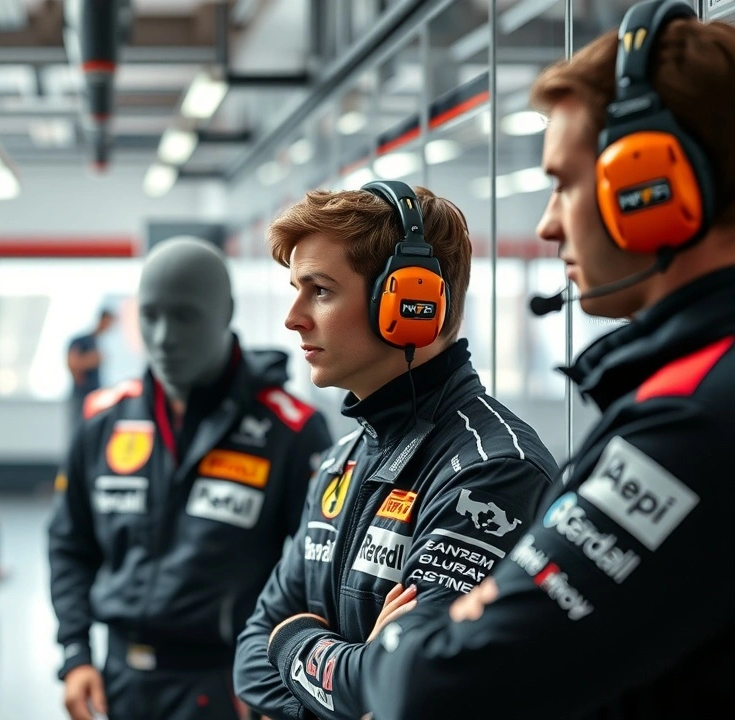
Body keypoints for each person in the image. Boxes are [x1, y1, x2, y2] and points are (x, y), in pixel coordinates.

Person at [357, 4, 735, 718]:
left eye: (564, 182)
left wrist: (396, 637)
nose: (548, 222)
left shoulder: (693, 421)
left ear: (648, 187)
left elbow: (433, 688)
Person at [232, 180, 559, 720]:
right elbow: (250, 660)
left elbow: (413, 686)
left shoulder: (492, 470)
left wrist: (291, 641)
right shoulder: (340, 460)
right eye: (296, 289)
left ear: (410, 304)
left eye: (320, 290)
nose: (293, 317)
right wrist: (352, 676)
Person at [48, 237, 334, 720]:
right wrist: (75, 653)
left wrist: (277, 683)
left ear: (226, 314)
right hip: (118, 682)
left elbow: (316, 573)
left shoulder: (290, 431)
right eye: (151, 316)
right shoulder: (103, 422)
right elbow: (69, 543)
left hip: (228, 687)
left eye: (184, 316)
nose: (163, 338)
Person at [67, 308, 116, 431]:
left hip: (96, 395)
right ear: (102, 320)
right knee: (78, 429)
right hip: (82, 395)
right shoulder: (81, 341)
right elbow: (73, 363)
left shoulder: (98, 342)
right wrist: (93, 359)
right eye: (108, 322)